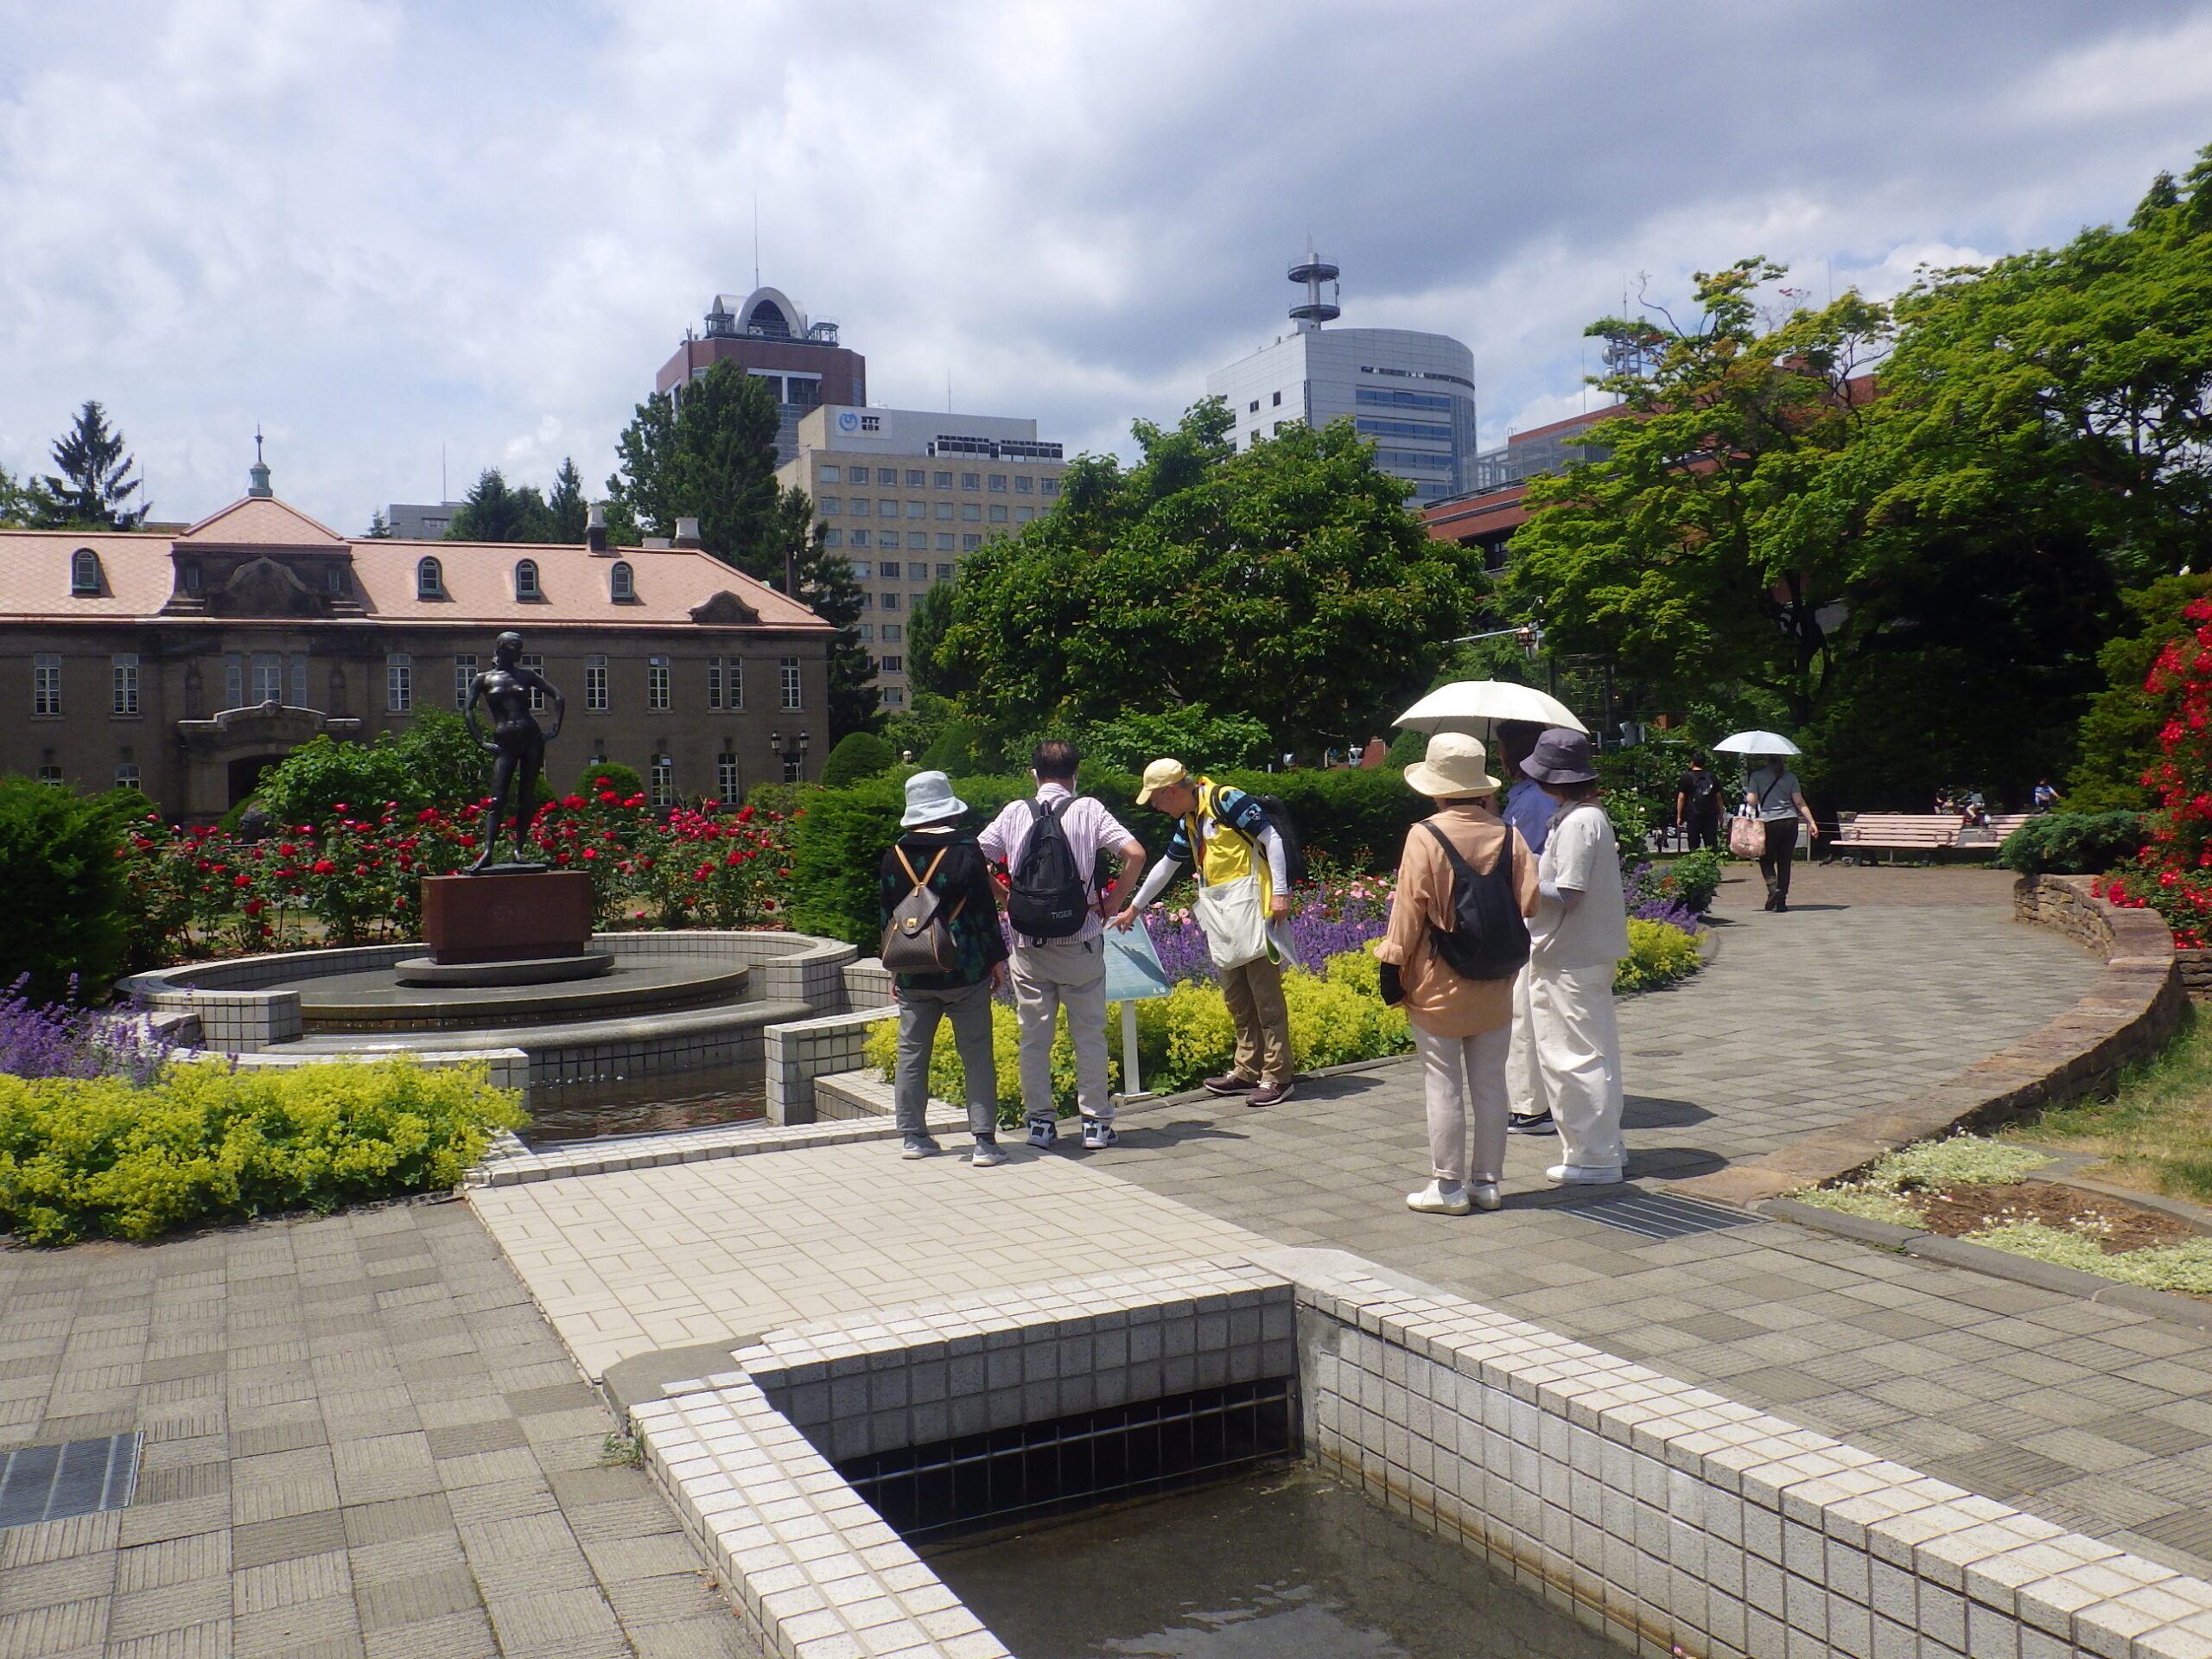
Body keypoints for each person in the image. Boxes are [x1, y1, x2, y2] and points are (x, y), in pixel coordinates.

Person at [1375, 734, 1537, 1216]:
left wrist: (1393, 963)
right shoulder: (1508, 833)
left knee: (1442, 1081)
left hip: (1437, 975)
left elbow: (1408, 911)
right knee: (1491, 1082)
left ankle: (1447, 1188)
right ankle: (1487, 1183)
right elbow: (1530, 900)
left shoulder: (1424, 834)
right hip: (1495, 976)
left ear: (1437, 786)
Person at [978, 741, 1147, 1152]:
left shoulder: (1016, 812)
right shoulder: (1089, 809)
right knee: (1089, 1033)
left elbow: (974, 856)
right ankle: (1094, 1124)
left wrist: (1005, 896)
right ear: (1076, 774)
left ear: (1034, 774)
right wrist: (1112, 902)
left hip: (1028, 942)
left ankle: (1039, 1124)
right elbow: (1135, 854)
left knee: (1034, 1035)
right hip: (1080, 939)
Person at [1116, 759, 1297, 1106]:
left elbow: (1270, 836)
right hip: (1222, 913)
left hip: (1254, 908)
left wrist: (1281, 892)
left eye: (1155, 799)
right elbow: (1167, 865)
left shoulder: (1226, 800)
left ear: (1170, 791)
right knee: (1237, 998)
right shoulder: (1190, 821)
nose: (1155, 806)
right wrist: (1134, 908)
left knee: (1266, 999)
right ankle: (1246, 1069)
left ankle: (1277, 1076)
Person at [1519, 728, 1632, 1185]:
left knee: (1571, 1057)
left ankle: (1592, 1156)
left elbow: (1569, 890)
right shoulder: (1585, 816)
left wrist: (1521, 880)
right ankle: (1603, 1146)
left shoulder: (1579, 822)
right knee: (1592, 1052)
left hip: (1569, 954)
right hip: (1580, 953)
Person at [879, 772, 1009, 1166]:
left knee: (912, 1052)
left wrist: (894, 971)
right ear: (948, 807)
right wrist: (996, 960)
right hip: (964, 966)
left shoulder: (893, 855)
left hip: (914, 968)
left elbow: (888, 916)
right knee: (976, 1053)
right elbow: (985, 913)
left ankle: (914, 1136)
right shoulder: (967, 852)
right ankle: (984, 1142)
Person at [461, 632, 564, 872]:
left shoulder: (526, 675)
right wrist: (480, 741)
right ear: (502, 648)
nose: (520, 652)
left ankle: (518, 850)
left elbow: (559, 697)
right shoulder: (484, 679)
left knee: (526, 797)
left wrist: (554, 729)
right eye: (515, 647)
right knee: (497, 799)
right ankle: (487, 852)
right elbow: (468, 710)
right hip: (504, 742)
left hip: (531, 739)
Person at [1745, 753, 1818, 912]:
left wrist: (1751, 794)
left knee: (1766, 859)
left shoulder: (1757, 776)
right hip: (1790, 821)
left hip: (1769, 822)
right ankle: (1781, 901)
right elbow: (1799, 801)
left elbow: (1752, 800)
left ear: (1766, 758)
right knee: (1785, 862)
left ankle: (1773, 888)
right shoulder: (1790, 777)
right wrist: (1811, 822)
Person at [1675, 752, 1723, 853]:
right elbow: (1718, 797)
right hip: (1710, 814)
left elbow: (1681, 798)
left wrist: (1679, 815)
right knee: (1711, 842)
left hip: (1693, 814)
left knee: (1693, 842)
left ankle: (1695, 862)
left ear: (1692, 763)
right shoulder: (1712, 777)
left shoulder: (1687, 777)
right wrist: (1721, 813)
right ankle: (1711, 864)